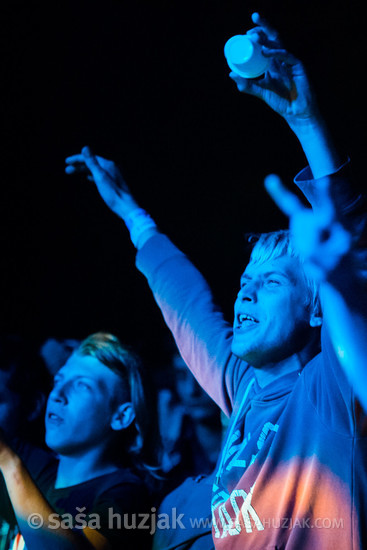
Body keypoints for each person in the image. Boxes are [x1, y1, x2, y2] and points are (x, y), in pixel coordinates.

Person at [65, 12, 367, 550]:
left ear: (316, 307)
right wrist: (132, 215)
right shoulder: (242, 387)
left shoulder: (330, 389)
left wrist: (306, 124)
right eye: (246, 279)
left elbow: (353, 268)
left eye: (271, 282)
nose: (245, 291)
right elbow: (189, 305)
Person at [0, 331, 161, 550]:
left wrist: (10, 465)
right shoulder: (37, 468)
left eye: (81, 386)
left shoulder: (125, 495)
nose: (57, 394)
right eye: (59, 380)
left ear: (121, 416)